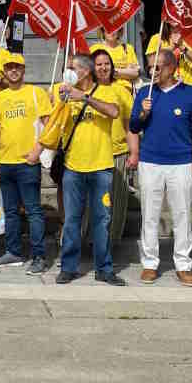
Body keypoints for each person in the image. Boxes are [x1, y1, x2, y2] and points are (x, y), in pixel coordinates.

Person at [40, 52, 124, 286]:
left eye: (72, 68)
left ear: (86, 71)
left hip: (101, 166)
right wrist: (57, 103)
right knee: (72, 219)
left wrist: (84, 97)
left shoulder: (106, 90)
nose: (68, 72)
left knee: (101, 219)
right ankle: (69, 267)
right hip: (72, 166)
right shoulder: (64, 92)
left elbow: (114, 112)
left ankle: (104, 268)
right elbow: (52, 125)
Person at [127, 47, 192, 286]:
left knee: (181, 214)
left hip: (180, 163)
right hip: (150, 161)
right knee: (149, 215)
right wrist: (143, 112)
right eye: (150, 67)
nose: (152, 71)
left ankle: (183, 264)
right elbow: (132, 126)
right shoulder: (144, 92)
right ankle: (150, 264)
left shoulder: (190, 94)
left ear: (172, 68)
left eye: (157, 67)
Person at [0, 53, 51, 272]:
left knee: (33, 211)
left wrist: (37, 151)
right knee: (11, 211)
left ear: (23, 70)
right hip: (5, 162)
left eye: (17, 67)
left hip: (27, 163)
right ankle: (13, 252)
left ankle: (39, 256)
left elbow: (48, 125)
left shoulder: (36, 93)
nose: (13, 70)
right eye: (10, 67)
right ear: (5, 71)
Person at [93, 47, 135, 243]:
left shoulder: (121, 90)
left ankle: (111, 242)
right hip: (92, 154)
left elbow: (130, 125)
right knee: (92, 202)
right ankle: (92, 242)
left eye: (107, 64)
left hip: (118, 152)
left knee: (116, 202)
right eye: (99, 64)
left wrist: (134, 153)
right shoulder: (86, 90)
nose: (103, 68)